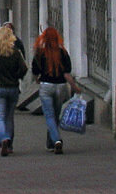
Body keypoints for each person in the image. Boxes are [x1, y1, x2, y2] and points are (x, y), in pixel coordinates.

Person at [32, 27, 81, 155]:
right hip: (61, 87)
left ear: (44, 38)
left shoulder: (40, 53)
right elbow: (67, 74)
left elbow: (35, 71)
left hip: (46, 86)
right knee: (55, 115)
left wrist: (38, 78)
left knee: (49, 116)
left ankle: (57, 140)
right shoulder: (63, 53)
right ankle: (51, 143)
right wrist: (75, 87)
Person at [0, 24, 27, 156]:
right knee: (9, 117)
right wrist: (16, 76)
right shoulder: (16, 52)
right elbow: (24, 69)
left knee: (0, 117)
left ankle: (3, 139)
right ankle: (10, 144)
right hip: (12, 87)